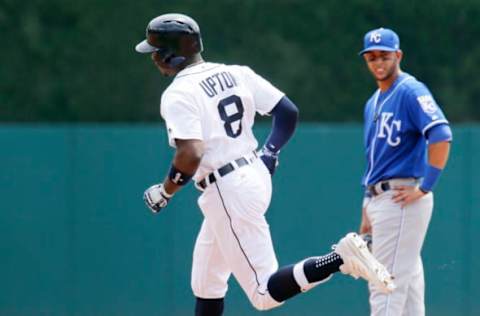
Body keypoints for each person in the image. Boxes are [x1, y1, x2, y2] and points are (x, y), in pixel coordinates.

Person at [136, 13, 395, 315]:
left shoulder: (178, 93)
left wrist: (165, 191)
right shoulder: (236, 73)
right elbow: (288, 112)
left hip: (226, 188)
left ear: (170, 54)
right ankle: (338, 258)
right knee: (206, 281)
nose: (153, 57)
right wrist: (270, 152)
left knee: (264, 293)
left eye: (155, 51)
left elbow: (191, 153)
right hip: (253, 172)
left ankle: (338, 258)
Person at [358, 28, 452, 316]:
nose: (378, 62)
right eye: (371, 57)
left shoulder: (410, 91)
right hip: (379, 198)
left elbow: (441, 135)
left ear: (398, 55)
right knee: (407, 292)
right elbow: (375, 160)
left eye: (384, 55)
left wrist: (425, 187)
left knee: (385, 285)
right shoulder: (373, 101)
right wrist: (367, 206)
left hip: (401, 197)